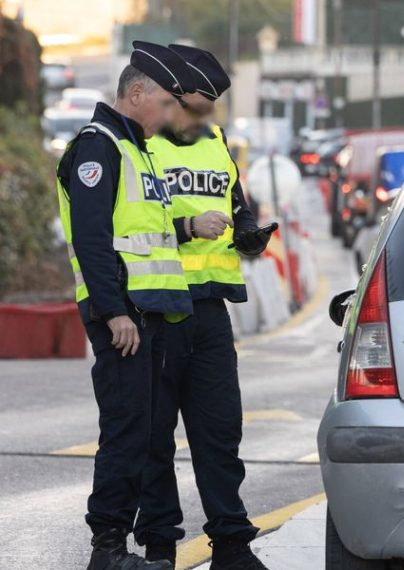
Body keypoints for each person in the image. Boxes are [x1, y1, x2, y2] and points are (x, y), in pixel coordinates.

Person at [56, 41, 198, 570]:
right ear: (136, 93)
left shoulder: (135, 148)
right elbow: (92, 240)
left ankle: (125, 546)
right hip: (122, 316)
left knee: (144, 432)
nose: (170, 115)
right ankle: (108, 550)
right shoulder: (99, 147)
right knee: (125, 431)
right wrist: (114, 311)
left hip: (145, 313)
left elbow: (143, 235)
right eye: (165, 103)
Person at [132, 44, 272, 570]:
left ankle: (232, 545)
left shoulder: (215, 142)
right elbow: (128, 226)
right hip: (157, 308)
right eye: (195, 108)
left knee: (220, 432)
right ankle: (159, 546)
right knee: (154, 438)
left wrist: (249, 234)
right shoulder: (141, 146)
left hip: (211, 310)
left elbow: (237, 205)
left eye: (210, 110)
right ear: (173, 97)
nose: (204, 119)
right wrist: (187, 228)